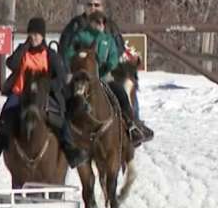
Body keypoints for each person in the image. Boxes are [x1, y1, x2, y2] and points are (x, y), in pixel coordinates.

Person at [0, 17, 89, 171]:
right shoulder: (23, 51)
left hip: (44, 95)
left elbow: (61, 78)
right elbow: (11, 64)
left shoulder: (50, 54)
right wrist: (24, 48)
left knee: (60, 119)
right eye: (31, 33)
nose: (34, 37)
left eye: (37, 34)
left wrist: (48, 86)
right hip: (21, 92)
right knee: (5, 119)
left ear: (43, 36)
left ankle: (70, 151)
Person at [63, 11, 154, 146]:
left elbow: (113, 56)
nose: (101, 25)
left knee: (121, 94)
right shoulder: (81, 37)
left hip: (105, 77)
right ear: (91, 23)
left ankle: (131, 125)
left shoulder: (108, 39)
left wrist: (110, 64)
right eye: (97, 22)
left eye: (103, 22)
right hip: (83, 77)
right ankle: (63, 129)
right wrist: (77, 60)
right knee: (66, 95)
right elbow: (69, 52)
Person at [58, 0, 126, 61]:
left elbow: (120, 47)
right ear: (85, 7)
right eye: (89, 5)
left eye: (96, 5)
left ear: (102, 7)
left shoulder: (111, 25)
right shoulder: (75, 24)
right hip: (80, 65)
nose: (93, 8)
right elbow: (64, 46)